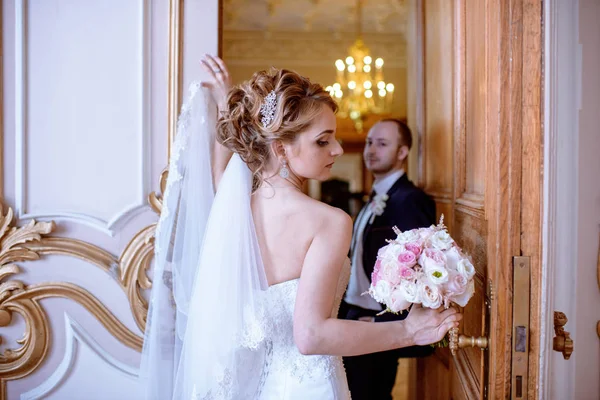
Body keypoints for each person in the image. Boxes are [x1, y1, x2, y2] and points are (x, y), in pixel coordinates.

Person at [139, 55, 460, 400]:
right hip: (309, 387)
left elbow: (220, 176)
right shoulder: (329, 221)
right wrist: (409, 330)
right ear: (280, 147)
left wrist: (223, 101)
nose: (337, 149)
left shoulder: (234, 211)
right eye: (323, 141)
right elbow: (311, 336)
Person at [341, 119, 438, 400]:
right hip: (354, 312)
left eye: (382, 144)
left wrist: (383, 324)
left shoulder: (409, 200)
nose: (371, 150)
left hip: (378, 320)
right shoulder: (374, 197)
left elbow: (417, 272)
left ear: (402, 152)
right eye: (370, 142)